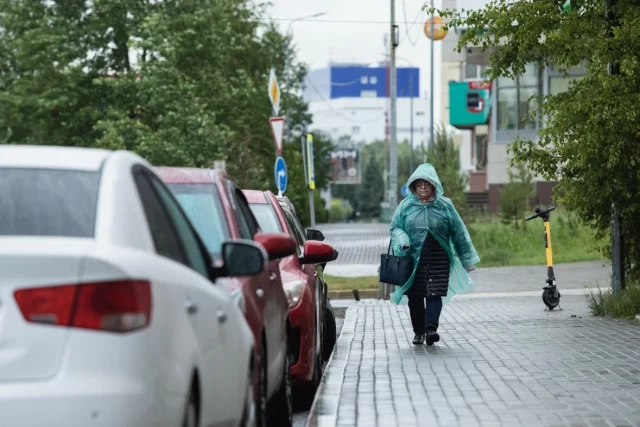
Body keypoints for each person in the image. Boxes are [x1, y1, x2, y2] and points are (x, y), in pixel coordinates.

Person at [389, 163, 480, 346]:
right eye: (419, 183)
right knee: (415, 297)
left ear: (434, 186)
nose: (423, 187)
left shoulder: (445, 205)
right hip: (414, 259)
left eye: (427, 183)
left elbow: (458, 232)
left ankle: (431, 329)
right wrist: (403, 240)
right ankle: (418, 332)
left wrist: (466, 259)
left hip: (439, 257)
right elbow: (395, 228)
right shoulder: (405, 206)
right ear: (413, 186)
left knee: (434, 293)